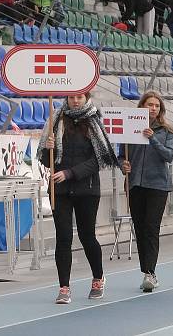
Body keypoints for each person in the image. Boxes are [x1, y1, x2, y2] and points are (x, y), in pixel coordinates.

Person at [40, 92, 119, 304]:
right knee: (63, 237)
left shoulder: (94, 121)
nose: (75, 101)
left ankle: (98, 277)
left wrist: (70, 173)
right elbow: (47, 162)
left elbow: (100, 160)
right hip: (60, 191)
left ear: (86, 99)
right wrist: (47, 150)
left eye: (79, 97)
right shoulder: (55, 120)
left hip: (87, 189)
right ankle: (64, 287)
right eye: (72, 97)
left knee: (87, 236)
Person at [118, 91, 173, 292]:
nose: (153, 108)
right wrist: (122, 165)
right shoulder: (130, 129)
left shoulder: (167, 131)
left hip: (158, 185)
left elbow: (169, 156)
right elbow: (121, 155)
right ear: (142, 106)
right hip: (135, 184)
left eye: (156, 106)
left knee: (151, 228)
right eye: (149, 105)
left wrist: (153, 139)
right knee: (141, 229)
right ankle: (146, 270)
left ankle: (150, 273)